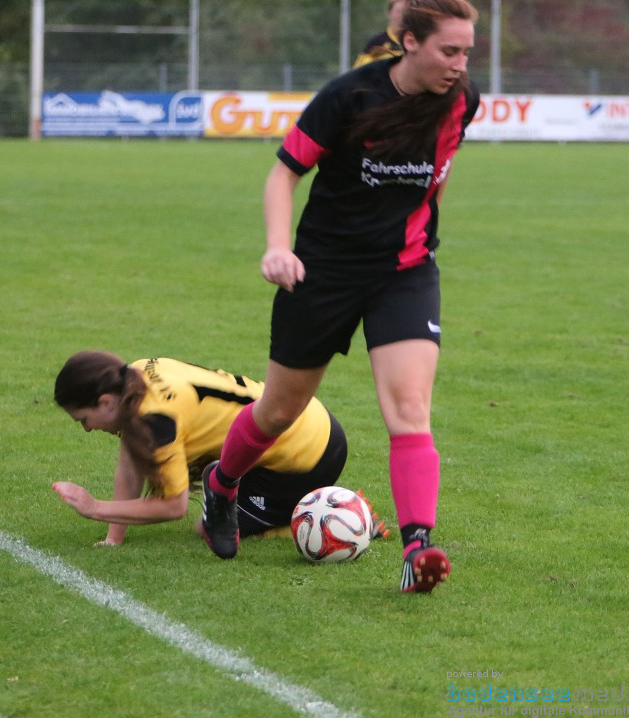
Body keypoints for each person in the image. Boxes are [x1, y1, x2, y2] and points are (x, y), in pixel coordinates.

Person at [200, 0, 480, 594]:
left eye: (466, 52)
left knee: (410, 409)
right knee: (279, 411)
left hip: (404, 274)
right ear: (408, 41)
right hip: (322, 272)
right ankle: (222, 488)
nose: (460, 64)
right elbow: (284, 173)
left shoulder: (462, 101)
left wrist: (418, 237)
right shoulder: (350, 96)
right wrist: (279, 248)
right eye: (448, 51)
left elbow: (435, 181)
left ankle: (416, 549)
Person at [51, 351, 362, 547]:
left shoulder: (156, 419)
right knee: (217, 502)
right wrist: (113, 539)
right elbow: (129, 466)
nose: (88, 429)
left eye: (84, 420)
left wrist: (95, 508)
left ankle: (327, 512)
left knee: (208, 527)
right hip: (306, 417)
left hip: (308, 452)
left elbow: (174, 506)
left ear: (105, 402)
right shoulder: (135, 376)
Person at [353, 0, 406, 67]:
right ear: (389, 13)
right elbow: (359, 73)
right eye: (399, 12)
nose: (402, 17)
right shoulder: (376, 44)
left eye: (406, 12)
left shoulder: (416, 44)